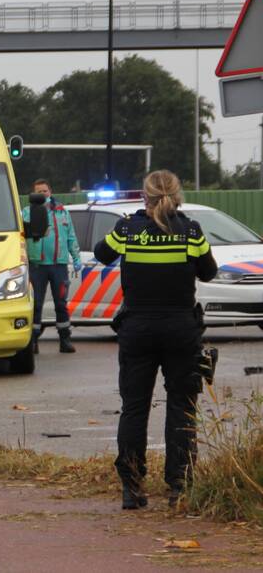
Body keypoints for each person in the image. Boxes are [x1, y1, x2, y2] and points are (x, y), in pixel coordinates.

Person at [93, 170, 216, 510]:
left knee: (134, 408)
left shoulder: (128, 230)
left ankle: (132, 489)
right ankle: (179, 487)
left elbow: (101, 253)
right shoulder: (190, 231)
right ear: (178, 196)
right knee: (181, 408)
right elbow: (209, 272)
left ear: (143, 197)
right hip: (180, 330)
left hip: (138, 330)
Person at [22, 179, 82, 353]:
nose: (42, 195)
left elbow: (71, 236)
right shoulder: (27, 213)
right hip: (37, 266)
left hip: (59, 265)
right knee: (36, 304)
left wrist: (76, 258)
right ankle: (32, 342)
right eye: (38, 192)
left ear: (51, 192)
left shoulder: (62, 212)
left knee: (61, 304)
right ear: (33, 196)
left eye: (45, 191)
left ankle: (65, 340)